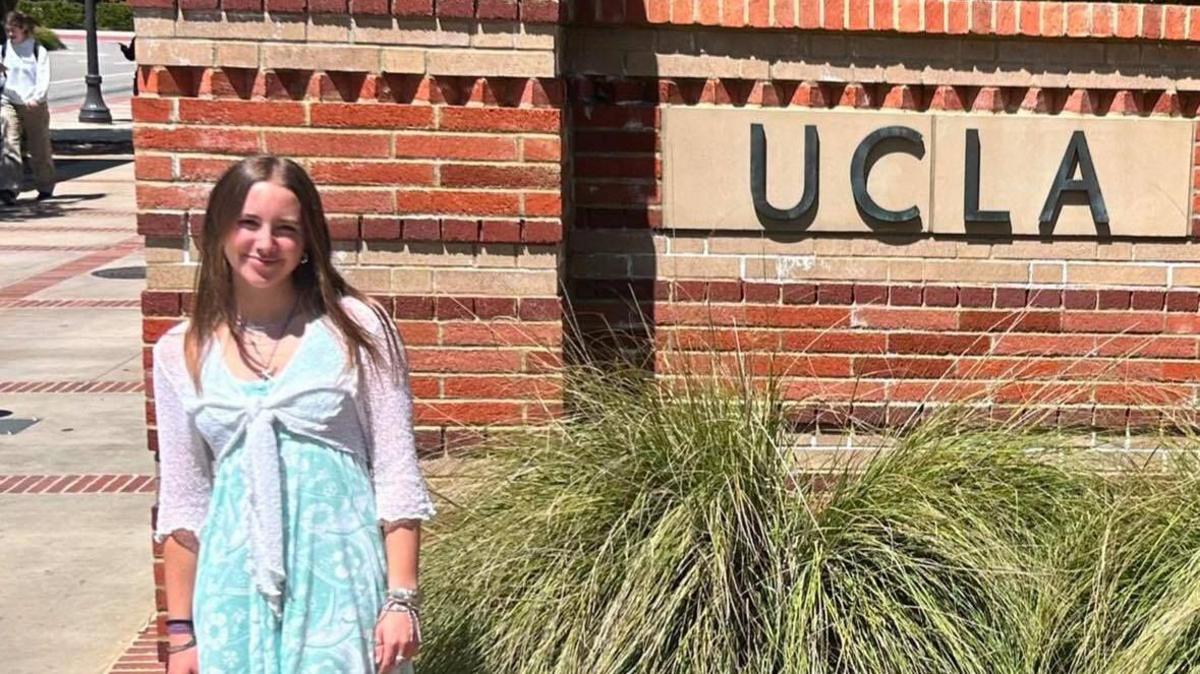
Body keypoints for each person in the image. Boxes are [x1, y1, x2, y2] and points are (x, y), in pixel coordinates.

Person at [152, 155, 436, 673]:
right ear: (218, 232)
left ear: (308, 244)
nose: (265, 244)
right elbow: (184, 503)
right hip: (232, 591)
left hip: (340, 580)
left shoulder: (358, 329)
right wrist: (181, 635)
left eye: (285, 229)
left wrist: (401, 600)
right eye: (248, 223)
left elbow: (397, 475)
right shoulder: (181, 351)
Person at [0, 10, 53, 205]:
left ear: (23, 28)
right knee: (9, 142)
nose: (10, 35)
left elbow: (43, 77)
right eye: (7, 31)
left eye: (13, 30)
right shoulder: (3, 49)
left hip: (33, 104)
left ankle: (45, 187)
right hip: (8, 100)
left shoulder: (37, 50)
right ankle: (9, 189)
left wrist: (37, 98)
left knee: (39, 147)